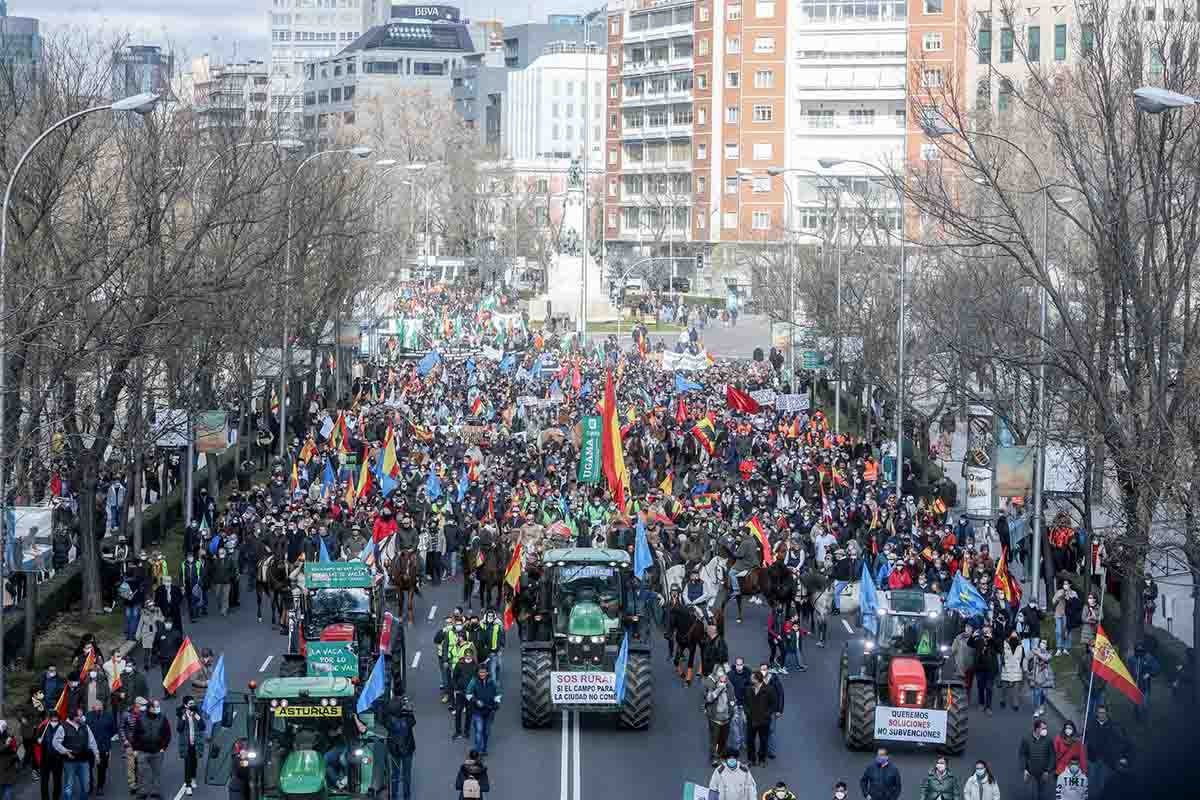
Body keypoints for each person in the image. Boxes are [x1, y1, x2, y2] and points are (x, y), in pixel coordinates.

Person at [52, 706, 99, 800]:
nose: (82, 718)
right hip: (70, 761)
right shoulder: (63, 727)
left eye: (82, 716)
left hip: (84, 760)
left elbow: (92, 741)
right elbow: (55, 742)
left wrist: (96, 754)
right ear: (73, 717)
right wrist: (65, 751)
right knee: (69, 787)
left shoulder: (85, 726)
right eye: (80, 716)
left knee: (86, 786)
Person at [1085, 705, 1128, 798]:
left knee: (1101, 783)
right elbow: (1087, 738)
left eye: (1103, 713)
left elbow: (1119, 742)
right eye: (1099, 713)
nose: (1101, 715)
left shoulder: (1112, 726)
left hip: (1105, 760)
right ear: (1096, 713)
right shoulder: (1091, 724)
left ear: (1106, 714)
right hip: (1093, 758)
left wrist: (1121, 756)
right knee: (1091, 781)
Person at [131, 699, 171, 800]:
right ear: (150, 708)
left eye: (158, 706)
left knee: (157, 772)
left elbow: (167, 734)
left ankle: (155, 792)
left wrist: (163, 748)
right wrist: (135, 749)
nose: (158, 708)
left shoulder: (163, 718)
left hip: (157, 751)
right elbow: (135, 734)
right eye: (156, 706)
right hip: (142, 751)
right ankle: (142, 792)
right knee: (142, 773)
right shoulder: (141, 718)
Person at [383, 696, 416, 800]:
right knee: (407, 776)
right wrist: (408, 710)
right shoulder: (407, 719)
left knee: (395, 775)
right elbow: (413, 720)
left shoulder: (389, 720)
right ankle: (407, 797)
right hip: (407, 750)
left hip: (395, 751)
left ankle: (394, 796)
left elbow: (384, 720)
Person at [463, 664, 500, 756]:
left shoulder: (492, 681)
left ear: (487, 672)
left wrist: (497, 704)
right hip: (477, 711)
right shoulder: (474, 681)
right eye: (480, 672)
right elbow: (468, 694)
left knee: (486, 732)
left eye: (484, 672)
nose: (482, 674)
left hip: (489, 711)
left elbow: (497, 694)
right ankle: (477, 751)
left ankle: (484, 749)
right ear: (478, 672)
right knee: (479, 731)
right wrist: (475, 701)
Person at [703, 664, 734, 765]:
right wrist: (719, 689)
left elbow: (732, 699)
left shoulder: (729, 685)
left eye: (723, 672)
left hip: (726, 718)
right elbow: (709, 698)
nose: (722, 675)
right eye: (719, 671)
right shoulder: (711, 684)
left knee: (723, 739)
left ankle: (721, 756)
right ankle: (714, 758)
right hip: (715, 718)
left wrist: (732, 711)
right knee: (714, 739)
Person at [84, 701, 116, 797]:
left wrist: (106, 738)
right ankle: (90, 785)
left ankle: (100, 787)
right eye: (95, 707)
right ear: (93, 708)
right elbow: (84, 729)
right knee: (88, 767)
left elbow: (113, 730)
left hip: (103, 747)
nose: (97, 709)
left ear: (102, 707)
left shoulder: (109, 716)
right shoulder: (88, 716)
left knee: (102, 768)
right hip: (90, 747)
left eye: (99, 707)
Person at [743, 671, 775, 768]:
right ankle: (751, 759)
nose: (750, 679)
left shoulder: (769, 690)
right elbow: (745, 702)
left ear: (757, 679)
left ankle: (762, 759)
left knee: (763, 740)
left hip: (763, 721)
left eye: (752, 678)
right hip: (751, 720)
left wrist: (766, 715)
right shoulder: (748, 689)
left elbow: (773, 705)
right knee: (750, 740)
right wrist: (747, 713)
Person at [175, 697, 206, 795]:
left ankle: (193, 778)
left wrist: (198, 717)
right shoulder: (182, 714)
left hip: (195, 743)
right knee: (187, 764)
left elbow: (203, 727)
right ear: (185, 705)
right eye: (190, 703)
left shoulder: (197, 713)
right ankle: (188, 785)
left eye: (193, 703)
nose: (193, 705)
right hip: (186, 744)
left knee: (194, 763)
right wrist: (183, 719)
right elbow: (179, 729)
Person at [1019, 718, 1055, 800]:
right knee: (1031, 794)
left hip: (1043, 773)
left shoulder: (1048, 740)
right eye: (1043, 728)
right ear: (1037, 729)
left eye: (1046, 728)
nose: (1045, 730)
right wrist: (1024, 769)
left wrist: (1048, 770)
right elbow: (1022, 754)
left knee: (1041, 794)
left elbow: (1052, 755)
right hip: (1030, 772)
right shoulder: (1026, 739)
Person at [999, 629, 1025, 711]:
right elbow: (1002, 656)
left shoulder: (1021, 646)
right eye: (1012, 635)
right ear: (1009, 636)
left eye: (1015, 635)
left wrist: (1021, 666)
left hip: (1017, 669)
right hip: (1006, 668)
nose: (1014, 636)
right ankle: (1003, 700)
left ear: (1018, 636)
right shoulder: (1005, 644)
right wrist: (1003, 664)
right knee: (1004, 687)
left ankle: (1015, 704)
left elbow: (1023, 657)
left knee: (1016, 689)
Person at [1028, 639, 1055, 717]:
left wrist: (1037, 653)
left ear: (1047, 645)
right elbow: (1028, 657)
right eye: (1041, 642)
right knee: (1036, 693)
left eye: (1044, 643)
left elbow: (1046, 658)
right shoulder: (1036, 651)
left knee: (1044, 694)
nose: (1042, 644)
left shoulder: (1049, 653)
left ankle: (1042, 706)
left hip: (1046, 676)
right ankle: (1036, 709)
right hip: (1037, 675)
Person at [0, 721, 21, 800]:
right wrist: (6, 744)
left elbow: (13, 748)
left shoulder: (7, 735)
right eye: (4, 727)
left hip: (8, 765)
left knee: (8, 786)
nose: (5, 729)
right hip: (3, 766)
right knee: (5, 787)